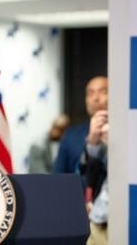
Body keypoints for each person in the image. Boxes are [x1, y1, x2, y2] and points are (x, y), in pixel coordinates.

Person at [53, 76, 108, 174]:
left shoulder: (128, 133)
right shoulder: (71, 136)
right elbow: (57, 179)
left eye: (103, 92)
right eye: (90, 93)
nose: (95, 98)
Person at [80, 109, 109, 245]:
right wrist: (94, 142)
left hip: (133, 219)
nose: (97, 98)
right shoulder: (100, 129)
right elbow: (88, 171)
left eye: (103, 92)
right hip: (100, 219)